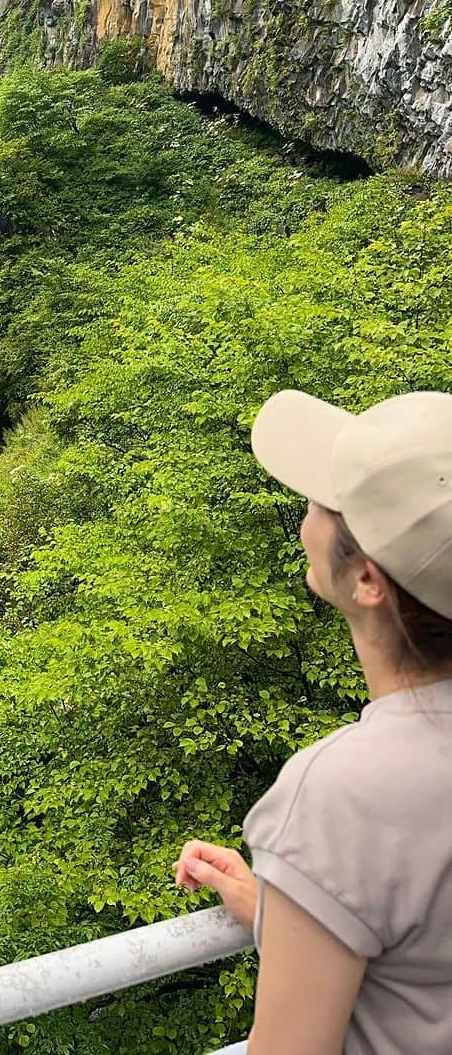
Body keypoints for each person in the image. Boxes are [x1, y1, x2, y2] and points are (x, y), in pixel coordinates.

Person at [174, 389, 452, 1055]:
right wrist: (307, 903)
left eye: (325, 504)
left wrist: (320, 862)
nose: (307, 515)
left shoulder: (339, 796)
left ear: (366, 580)